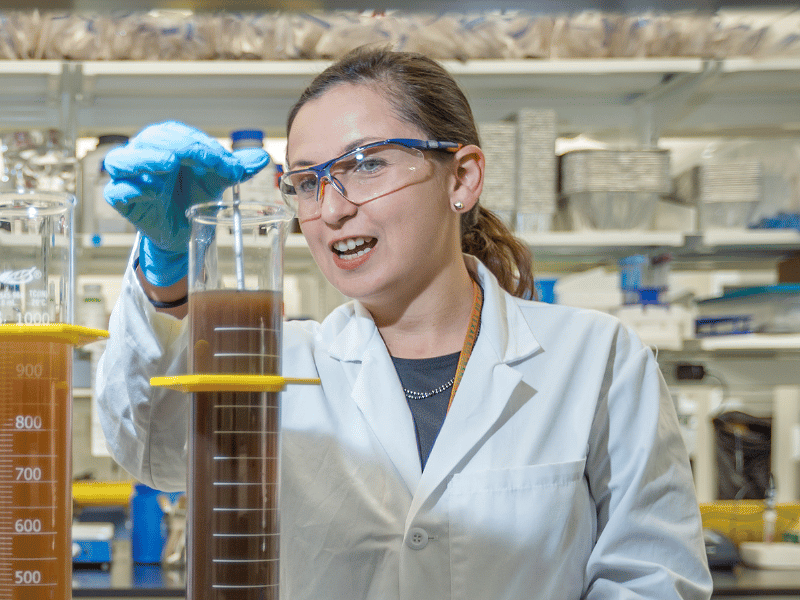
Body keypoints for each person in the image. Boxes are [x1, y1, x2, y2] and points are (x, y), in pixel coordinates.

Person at [95, 47, 711, 599]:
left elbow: (654, 579)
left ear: (461, 178)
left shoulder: (597, 359)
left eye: (366, 164)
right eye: (307, 182)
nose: (332, 210)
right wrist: (170, 272)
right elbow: (153, 448)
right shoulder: (276, 363)